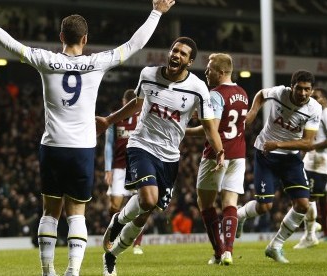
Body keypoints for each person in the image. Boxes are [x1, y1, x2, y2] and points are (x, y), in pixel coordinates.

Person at [0, 1, 175, 275]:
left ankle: (47, 271)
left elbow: (8, 43)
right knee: (77, 212)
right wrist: (156, 12)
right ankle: (72, 271)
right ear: (85, 39)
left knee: (50, 212)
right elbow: (135, 44)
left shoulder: (44, 59)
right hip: (82, 150)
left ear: (61, 37)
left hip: (52, 146)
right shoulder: (96, 62)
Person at [96, 36, 225, 276]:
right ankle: (118, 222)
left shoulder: (198, 89)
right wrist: (109, 120)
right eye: (174, 50)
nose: (176, 55)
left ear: (190, 61)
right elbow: (136, 104)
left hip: (170, 156)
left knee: (145, 213)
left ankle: (111, 256)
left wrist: (219, 151)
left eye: (183, 53)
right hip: (141, 144)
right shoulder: (148, 74)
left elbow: (209, 126)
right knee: (147, 199)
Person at [235, 70, 322, 263]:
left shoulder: (314, 108)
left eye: (307, 89)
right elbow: (261, 94)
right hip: (265, 155)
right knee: (264, 206)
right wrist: (252, 112)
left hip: (290, 158)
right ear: (292, 87)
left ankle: (275, 246)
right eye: (299, 88)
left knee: (302, 205)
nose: (303, 93)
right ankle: (239, 215)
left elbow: (308, 143)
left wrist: (279, 144)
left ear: (312, 90)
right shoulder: (280, 93)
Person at [185, 53, 248, 266]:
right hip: (239, 154)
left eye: (209, 69)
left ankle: (219, 251)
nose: (206, 72)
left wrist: (183, 130)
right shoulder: (242, 93)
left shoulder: (215, 95)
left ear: (221, 73)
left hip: (217, 154)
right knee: (230, 203)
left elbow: (212, 129)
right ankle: (229, 251)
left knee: (205, 203)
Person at [294, 87, 327, 249]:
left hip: (321, 162)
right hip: (310, 160)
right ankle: (313, 227)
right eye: (311, 96)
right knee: (303, 194)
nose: (312, 98)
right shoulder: (310, 112)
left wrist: (313, 146)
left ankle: (314, 230)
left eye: (316, 96)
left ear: (324, 99)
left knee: (310, 197)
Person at [104, 89, 145, 255]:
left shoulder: (141, 118)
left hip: (136, 166)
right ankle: (117, 230)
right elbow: (108, 144)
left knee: (141, 204)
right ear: (123, 103)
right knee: (114, 205)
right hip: (118, 167)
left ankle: (137, 243)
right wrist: (108, 169)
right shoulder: (115, 118)